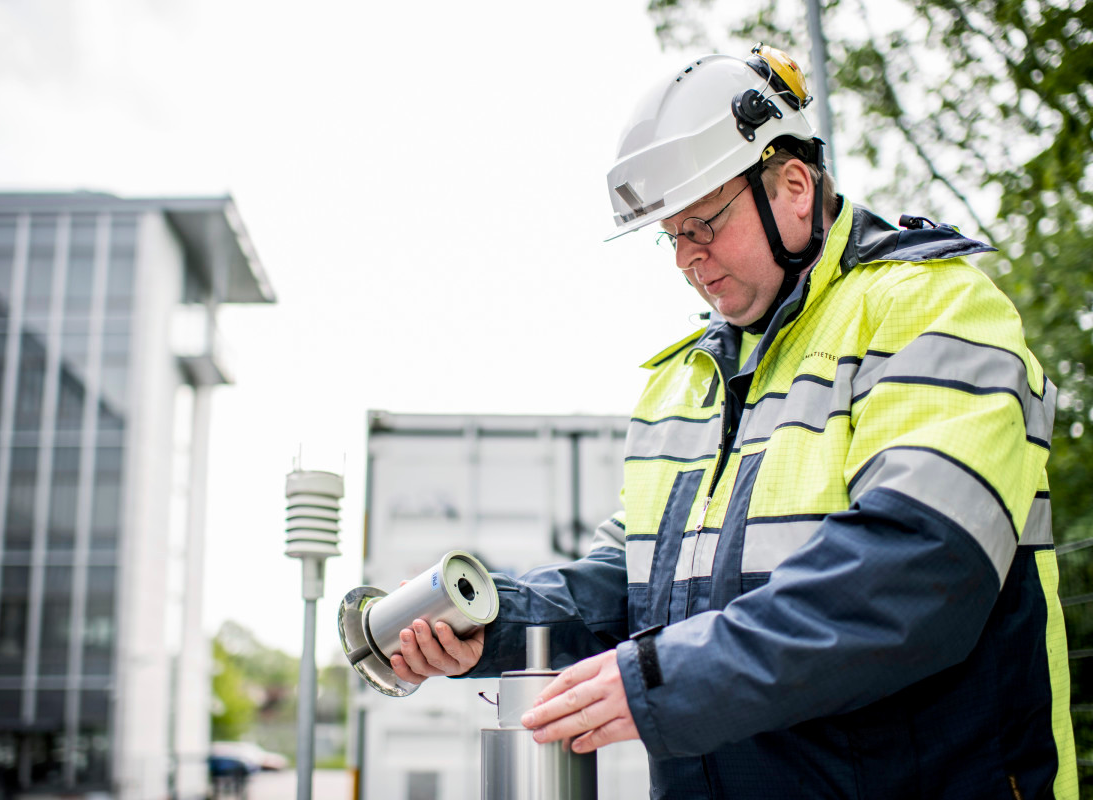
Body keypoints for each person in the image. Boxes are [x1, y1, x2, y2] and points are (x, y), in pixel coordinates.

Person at [389, 45, 1078, 799]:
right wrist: (493, 623)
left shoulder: (932, 310)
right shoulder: (686, 381)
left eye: (704, 226)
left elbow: (917, 567)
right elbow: (631, 587)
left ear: (790, 186)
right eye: (670, 236)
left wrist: (661, 680)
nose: (687, 259)